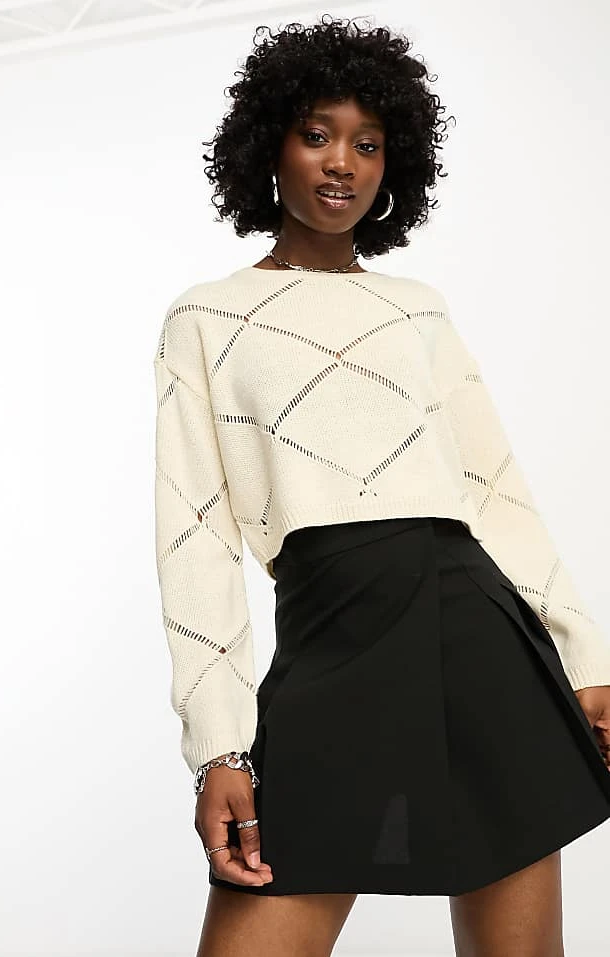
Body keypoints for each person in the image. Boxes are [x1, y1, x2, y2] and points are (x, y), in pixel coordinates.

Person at [152, 16, 610, 957]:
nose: (342, 163)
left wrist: (585, 657)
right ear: (269, 146)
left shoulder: (418, 310)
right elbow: (193, 535)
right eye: (316, 134)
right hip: (333, 640)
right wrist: (220, 745)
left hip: (479, 634)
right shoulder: (205, 318)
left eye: (368, 144)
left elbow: (495, 492)